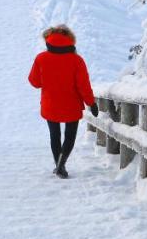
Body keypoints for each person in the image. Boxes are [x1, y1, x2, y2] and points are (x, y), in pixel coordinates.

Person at [27, 25, 98, 178]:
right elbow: (83, 86)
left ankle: (59, 166)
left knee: (54, 135)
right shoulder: (77, 60)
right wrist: (91, 103)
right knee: (70, 136)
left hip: (50, 104)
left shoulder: (41, 58)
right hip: (71, 105)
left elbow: (34, 82)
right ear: (70, 40)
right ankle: (61, 165)